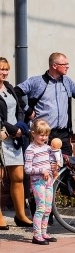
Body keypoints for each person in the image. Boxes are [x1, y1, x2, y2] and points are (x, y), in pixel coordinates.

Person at [15, 52, 75, 156]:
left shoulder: (67, 82)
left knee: (66, 167)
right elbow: (15, 93)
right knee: (44, 167)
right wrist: (28, 110)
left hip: (63, 134)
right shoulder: (36, 82)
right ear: (54, 65)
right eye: (64, 64)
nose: (67, 66)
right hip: (43, 134)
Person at [0, 57, 35, 228]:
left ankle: (20, 215)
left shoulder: (9, 88)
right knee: (0, 179)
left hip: (15, 138)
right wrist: (14, 130)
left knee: (19, 177)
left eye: (6, 69)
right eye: (1, 69)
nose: (4, 72)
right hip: (2, 137)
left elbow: (20, 109)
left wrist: (20, 127)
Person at [23, 119, 58, 245]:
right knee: (41, 208)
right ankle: (36, 235)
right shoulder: (30, 149)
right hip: (38, 182)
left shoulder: (48, 148)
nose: (44, 137)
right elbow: (27, 169)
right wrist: (41, 170)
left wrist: (54, 168)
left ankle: (44, 232)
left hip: (49, 182)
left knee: (48, 209)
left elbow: (52, 163)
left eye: (46, 135)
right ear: (33, 133)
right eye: (41, 135)